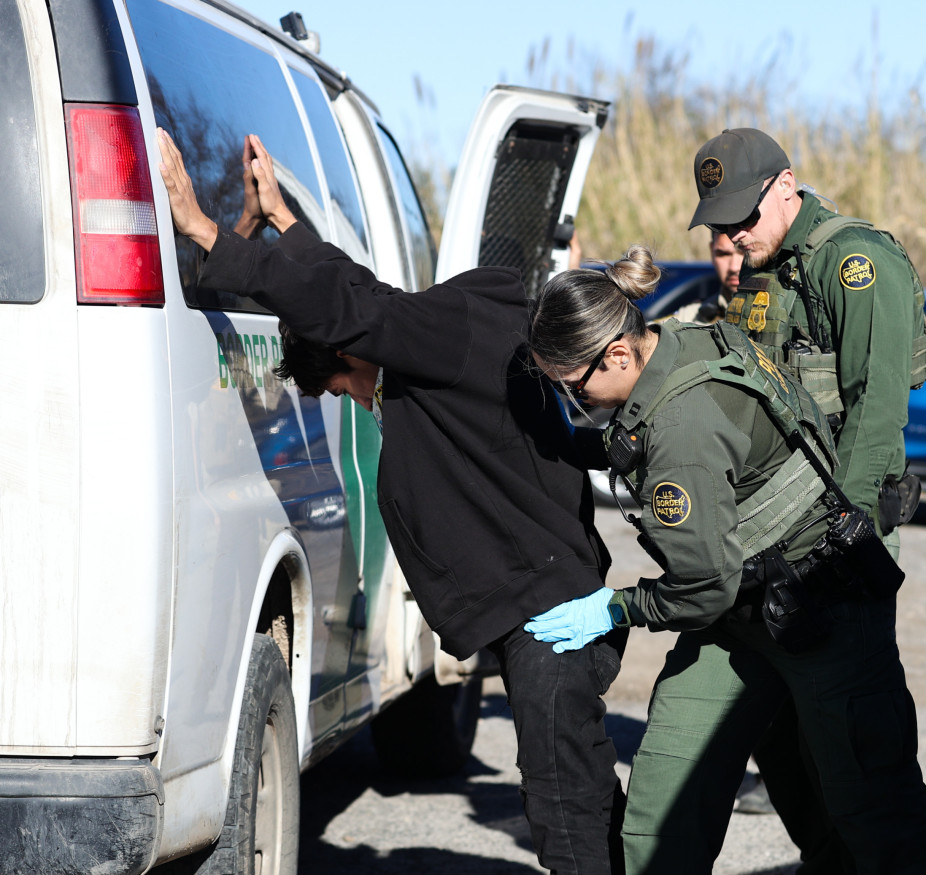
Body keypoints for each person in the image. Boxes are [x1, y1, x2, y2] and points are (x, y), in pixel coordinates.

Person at [157, 128, 627, 875]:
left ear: (351, 353)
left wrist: (210, 234)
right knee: (584, 797)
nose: (361, 400)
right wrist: (286, 222)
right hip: (544, 604)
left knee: (567, 811)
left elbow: (357, 308)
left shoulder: (435, 342)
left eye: (348, 387)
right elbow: (362, 296)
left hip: (550, 619)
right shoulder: (439, 334)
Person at [525, 244, 926, 874]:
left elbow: (702, 587)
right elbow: (641, 442)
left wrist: (615, 607)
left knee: (874, 810)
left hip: (823, 610)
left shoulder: (682, 431)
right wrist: (572, 443)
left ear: (616, 353)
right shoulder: (680, 341)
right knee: (663, 811)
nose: (575, 401)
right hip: (745, 614)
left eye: (572, 388)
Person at [691, 127, 926, 871]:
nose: (733, 236)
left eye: (744, 216)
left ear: (786, 187)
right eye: (721, 223)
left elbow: (875, 407)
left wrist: (843, 538)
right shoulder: (760, 275)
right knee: (788, 749)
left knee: (861, 753)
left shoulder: (854, 263)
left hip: (837, 545)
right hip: (764, 546)